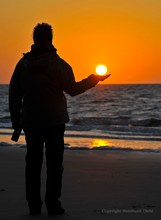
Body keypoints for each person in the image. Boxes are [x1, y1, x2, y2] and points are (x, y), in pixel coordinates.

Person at [9, 23, 110, 216]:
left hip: (31, 122)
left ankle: (34, 206)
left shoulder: (23, 65)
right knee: (54, 165)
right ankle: (53, 204)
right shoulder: (59, 64)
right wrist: (94, 79)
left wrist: (16, 122)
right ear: (51, 40)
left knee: (33, 164)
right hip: (54, 121)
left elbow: (13, 95)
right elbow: (73, 89)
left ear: (34, 40)